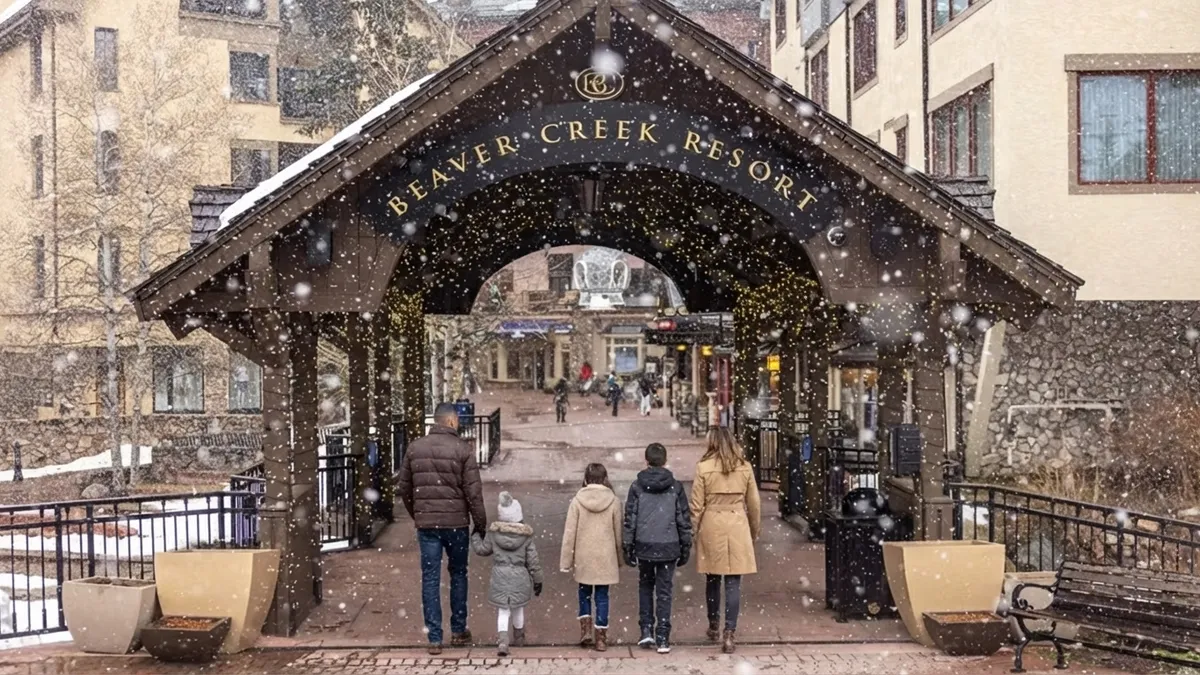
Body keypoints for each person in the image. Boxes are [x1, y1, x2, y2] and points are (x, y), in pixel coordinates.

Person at [397, 402, 488, 655]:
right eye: (457, 420)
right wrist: (480, 523)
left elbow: (405, 488)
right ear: (450, 421)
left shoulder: (415, 448)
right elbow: (474, 493)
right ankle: (458, 629)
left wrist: (418, 513)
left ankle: (434, 637)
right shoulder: (462, 449)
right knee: (458, 573)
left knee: (430, 579)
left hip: (427, 526)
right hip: (457, 525)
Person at [690, 427, 761, 654]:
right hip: (737, 522)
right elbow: (754, 504)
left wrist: (693, 532)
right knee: (733, 581)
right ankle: (729, 632)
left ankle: (713, 624)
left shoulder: (704, 468)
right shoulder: (745, 466)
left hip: (712, 523)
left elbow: (696, 506)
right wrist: (753, 531)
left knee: (712, 577)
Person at [623, 443, 691, 654]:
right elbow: (683, 519)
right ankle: (663, 635)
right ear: (665, 460)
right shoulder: (675, 487)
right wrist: (686, 545)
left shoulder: (637, 487)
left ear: (646, 461)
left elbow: (630, 519)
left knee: (645, 586)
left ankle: (646, 630)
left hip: (644, 544)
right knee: (664, 591)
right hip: (668, 545)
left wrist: (628, 545)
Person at [559, 463, 623, 652]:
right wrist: (620, 558)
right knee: (602, 596)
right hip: (605, 556)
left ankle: (585, 630)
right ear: (605, 479)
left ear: (586, 479)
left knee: (584, 593)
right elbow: (618, 534)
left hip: (584, 556)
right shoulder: (614, 501)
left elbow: (569, 534)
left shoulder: (577, 501)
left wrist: (566, 561)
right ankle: (601, 638)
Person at [472, 491, 543, 656]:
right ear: (519, 516)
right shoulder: (526, 537)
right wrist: (538, 579)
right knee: (518, 609)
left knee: (503, 611)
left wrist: (476, 536)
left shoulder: (494, 534)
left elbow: (482, 550)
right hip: (520, 578)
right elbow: (533, 561)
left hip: (500, 577)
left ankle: (503, 642)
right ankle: (519, 639)